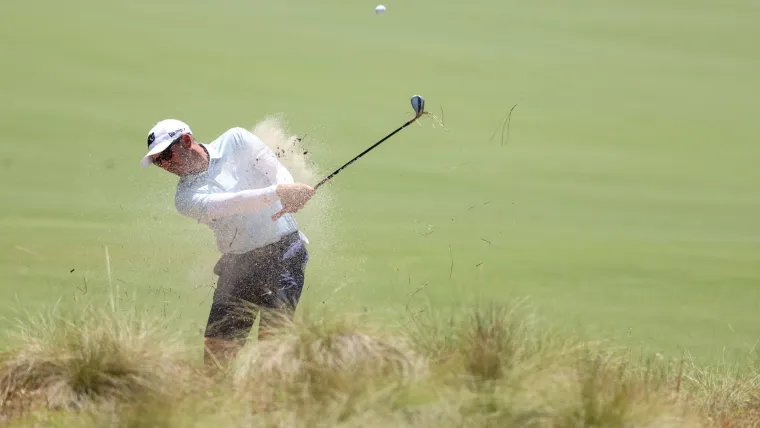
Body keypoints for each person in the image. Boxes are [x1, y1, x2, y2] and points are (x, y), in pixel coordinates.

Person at [140, 118, 316, 367]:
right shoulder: (186, 198)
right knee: (216, 357)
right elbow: (233, 202)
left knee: (272, 348)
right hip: (237, 267)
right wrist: (278, 193)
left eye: (166, 155)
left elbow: (275, 169)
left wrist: (290, 190)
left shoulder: (236, 139)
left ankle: (269, 403)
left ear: (187, 141)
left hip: (284, 254)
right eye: (158, 162)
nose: (165, 165)